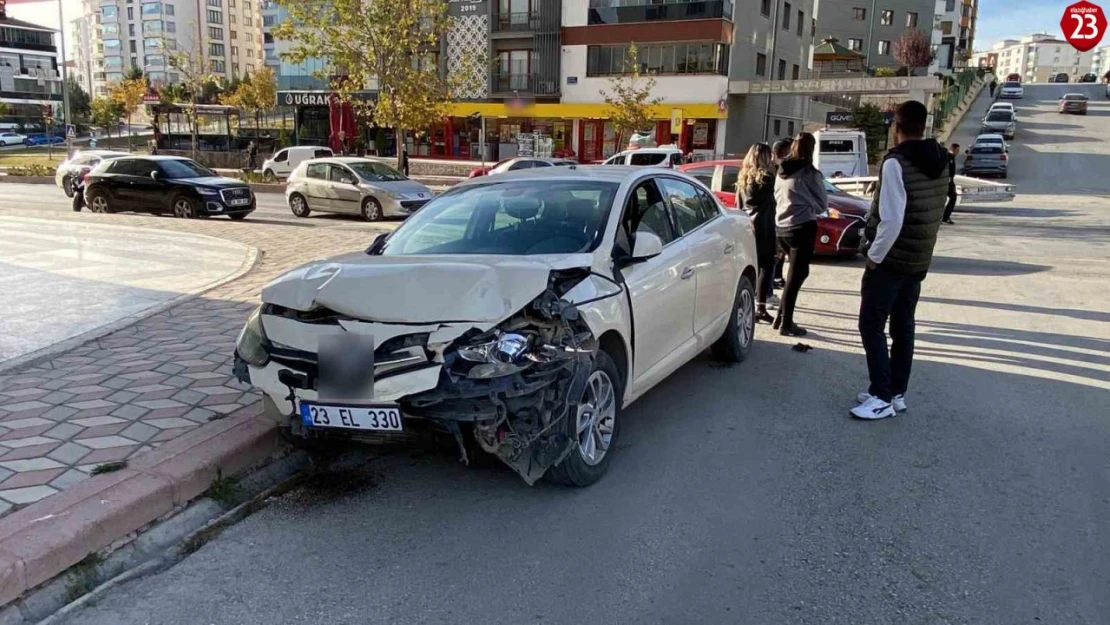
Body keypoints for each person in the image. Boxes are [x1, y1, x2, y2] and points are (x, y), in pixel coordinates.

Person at [852, 100, 949, 420]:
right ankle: (896, 391)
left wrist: (874, 258)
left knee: (871, 324)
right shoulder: (941, 159)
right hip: (918, 258)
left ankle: (880, 396)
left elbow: (892, 219)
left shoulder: (896, 163)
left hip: (891, 259)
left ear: (897, 126)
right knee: (903, 326)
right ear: (924, 125)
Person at [773, 132, 827, 337]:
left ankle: (780, 317)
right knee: (796, 277)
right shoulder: (809, 173)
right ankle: (786, 323)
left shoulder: (780, 170)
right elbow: (822, 204)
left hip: (781, 227)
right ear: (811, 149)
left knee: (794, 274)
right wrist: (806, 203)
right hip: (802, 226)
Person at [738, 143, 777, 324]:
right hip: (764, 226)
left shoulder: (743, 179)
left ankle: (748, 304)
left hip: (747, 226)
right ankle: (760, 306)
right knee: (766, 267)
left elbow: (739, 205)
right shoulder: (768, 179)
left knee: (751, 266)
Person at [770, 140, 792, 289]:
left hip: (778, 215)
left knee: (780, 252)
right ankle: (772, 282)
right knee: (775, 253)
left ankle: (777, 277)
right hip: (774, 216)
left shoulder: (781, 169)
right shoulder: (774, 171)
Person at [943, 143, 959, 225]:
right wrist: (949, 178)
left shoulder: (949, 156)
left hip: (949, 180)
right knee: (952, 198)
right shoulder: (949, 156)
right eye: (956, 150)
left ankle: (945, 216)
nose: (957, 152)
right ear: (952, 148)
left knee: (950, 198)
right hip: (948, 181)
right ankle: (945, 217)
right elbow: (949, 169)